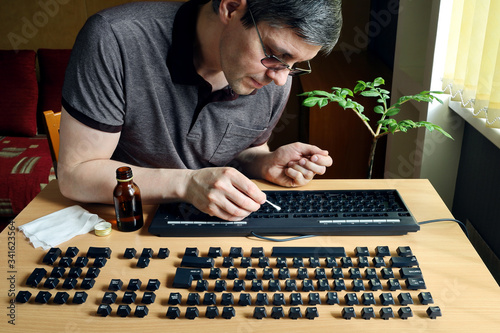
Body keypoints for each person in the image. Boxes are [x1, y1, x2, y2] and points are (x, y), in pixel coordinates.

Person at [58, 0, 342, 221]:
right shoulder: (115, 38)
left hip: (220, 231)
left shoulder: (275, 76)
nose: (280, 79)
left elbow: (238, 152)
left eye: (294, 65)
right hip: (126, 225)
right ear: (230, 7)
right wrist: (187, 184)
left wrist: (263, 162)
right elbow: (75, 176)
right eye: (275, 54)